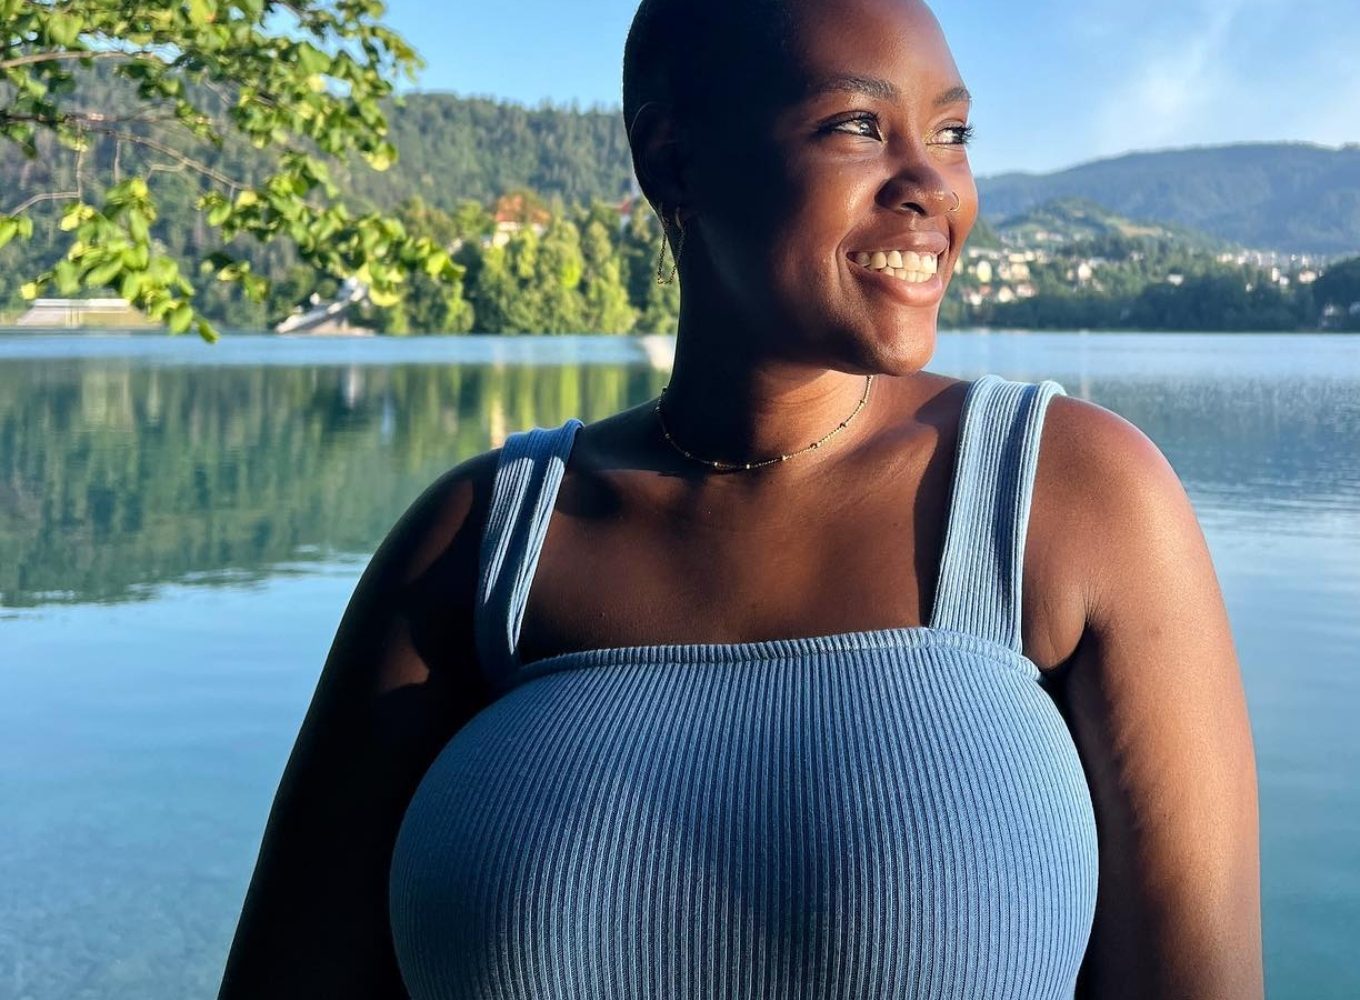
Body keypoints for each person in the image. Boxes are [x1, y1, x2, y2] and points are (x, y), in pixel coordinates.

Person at [220, 0, 1263, 996]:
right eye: (857, 126)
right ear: (673, 159)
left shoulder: (1072, 500)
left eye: (951, 134)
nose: (932, 187)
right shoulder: (479, 545)